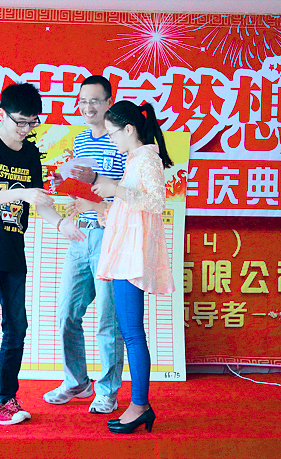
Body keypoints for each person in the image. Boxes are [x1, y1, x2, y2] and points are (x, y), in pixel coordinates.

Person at [0, 82, 85, 425]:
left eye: (32, 122)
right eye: (20, 121)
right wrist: (20, 194)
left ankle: (6, 397)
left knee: (16, 327)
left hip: (12, 252)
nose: (26, 129)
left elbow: (38, 201)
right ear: (2, 115)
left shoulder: (30, 153)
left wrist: (61, 225)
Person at [90, 100, 175, 434]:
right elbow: (133, 206)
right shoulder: (136, 159)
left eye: (113, 133)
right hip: (125, 254)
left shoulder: (147, 158)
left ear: (129, 129)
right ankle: (139, 404)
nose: (111, 139)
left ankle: (140, 405)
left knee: (132, 333)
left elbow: (156, 202)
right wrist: (108, 210)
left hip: (131, 258)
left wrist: (116, 190)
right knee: (130, 331)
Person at [43, 76, 126, 414]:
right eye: (82, 101)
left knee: (109, 319)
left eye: (94, 101)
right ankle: (77, 381)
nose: (88, 107)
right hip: (80, 233)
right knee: (67, 312)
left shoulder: (122, 139)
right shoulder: (79, 139)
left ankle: (107, 390)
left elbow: (127, 191)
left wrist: (98, 195)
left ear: (109, 103)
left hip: (110, 235)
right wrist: (63, 182)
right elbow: (81, 189)